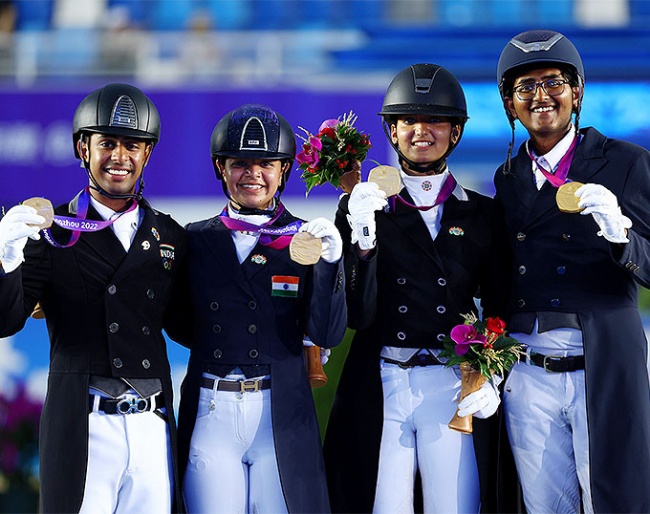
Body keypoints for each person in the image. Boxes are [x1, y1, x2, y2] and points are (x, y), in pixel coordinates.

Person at [323, 63, 508, 513]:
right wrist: (363, 239)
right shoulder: (362, 207)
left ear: (456, 132)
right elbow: (355, 314)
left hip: (452, 383)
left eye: (436, 120)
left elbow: (501, 305)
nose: (422, 131)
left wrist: (494, 373)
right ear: (391, 129)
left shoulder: (483, 214)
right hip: (383, 378)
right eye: (409, 121)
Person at [0, 83, 187, 513]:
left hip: (150, 426)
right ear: (83, 148)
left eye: (132, 145)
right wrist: (7, 260)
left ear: (147, 154)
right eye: (107, 143)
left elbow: (194, 325)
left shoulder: (171, 236)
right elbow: (5, 320)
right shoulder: (51, 232)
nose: (120, 157)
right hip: (84, 427)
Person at [494, 29, 650, 513]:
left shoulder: (626, 163)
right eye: (526, 87)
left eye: (553, 82)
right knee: (545, 506)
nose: (541, 96)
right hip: (529, 370)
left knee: (614, 500)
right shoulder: (508, 176)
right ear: (510, 104)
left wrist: (620, 235)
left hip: (601, 364)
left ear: (576, 91)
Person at [175, 103, 347, 514]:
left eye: (266, 163)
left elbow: (327, 333)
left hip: (281, 413)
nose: (253, 173)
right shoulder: (194, 240)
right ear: (221, 168)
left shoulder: (305, 242)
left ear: (284, 170)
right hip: (211, 407)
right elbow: (178, 322)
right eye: (240, 163)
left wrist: (330, 268)